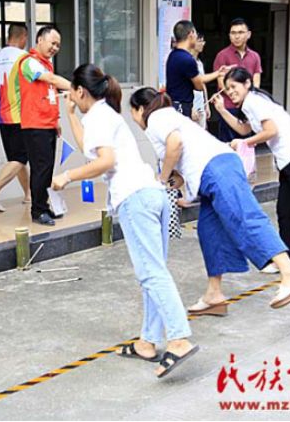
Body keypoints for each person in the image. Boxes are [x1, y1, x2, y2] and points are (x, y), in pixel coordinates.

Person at [52, 64, 198, 378]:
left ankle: (178, 339)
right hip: (152, 193)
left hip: (135, 198)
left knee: (151, 273)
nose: (70, 98)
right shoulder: (103, 115)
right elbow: (90, 150)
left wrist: (67, 175)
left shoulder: (100, 117)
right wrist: (71, 115)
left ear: (80, 91)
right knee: (154, 271)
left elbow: (105, 161)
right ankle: (148, 342)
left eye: (72, 94)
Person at [129, 87, 290, 315]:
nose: (133, 119)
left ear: (140, 109)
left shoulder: (156, 117)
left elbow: (175, 145)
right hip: (214, 170)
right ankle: (213, 295)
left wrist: (162, 178)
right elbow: (184, 158)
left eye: (132, 113)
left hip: (217, 168)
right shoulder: (170, 116)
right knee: (210, 231)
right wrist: (175, 179)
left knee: (244, 217)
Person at [215, 67, 290, 286]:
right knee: (285, 213)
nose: (230, 92)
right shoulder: (251, 103)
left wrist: (244, 143)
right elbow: (244, 129)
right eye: (227, 89)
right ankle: (284, 261)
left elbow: (271, 131)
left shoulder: (254, 101)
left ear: (247, 83)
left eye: (233, 86)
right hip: (289, 162)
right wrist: (222, 110)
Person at [17, 25, 72, 226]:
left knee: (47, 167)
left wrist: (56, 120)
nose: (55, 48)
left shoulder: (46, 64)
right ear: (40, 40)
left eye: (58, 45)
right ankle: (37, 210)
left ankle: (44, 205)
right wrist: (76, 88)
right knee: (40, 168)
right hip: (35, 124)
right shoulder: (29, 62)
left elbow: (49, 95)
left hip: (48, 124)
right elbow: (50, 80)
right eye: (52, 43)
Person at [0, 23, 31, 211]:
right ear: (23, 37)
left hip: (3, 117)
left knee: (16, 159)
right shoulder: (24, 58)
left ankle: (28, 194)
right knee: (20, 157)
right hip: (21, 116)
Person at [213, 18, 263, 142]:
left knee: (246, 143)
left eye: (240, 32)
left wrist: (248, 99)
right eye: (233, 33)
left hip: (247, 107)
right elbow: (221, 83)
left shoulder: (255, 56)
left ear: (248, 34)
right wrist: (236, 96)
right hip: (228, 107)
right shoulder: (222, 55)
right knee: (228, 144)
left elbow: (256, 81)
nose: (236, 36)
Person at [189, 33, 233, 129]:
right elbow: (186, 86)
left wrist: (207, 105)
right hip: (192, 106)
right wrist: (191, 108)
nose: (203, 44)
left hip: (201, 104)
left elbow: (202, 84)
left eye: (203, 41)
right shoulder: (187, 62)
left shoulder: (199, 63)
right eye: (200, 41)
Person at [164, 20, 204, 118]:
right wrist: (217, 74)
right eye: (196, 33)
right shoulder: (186, 59)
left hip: (176, 104)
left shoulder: (173, 55)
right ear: (191, 34)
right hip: (182, 106)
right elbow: (199, 86)